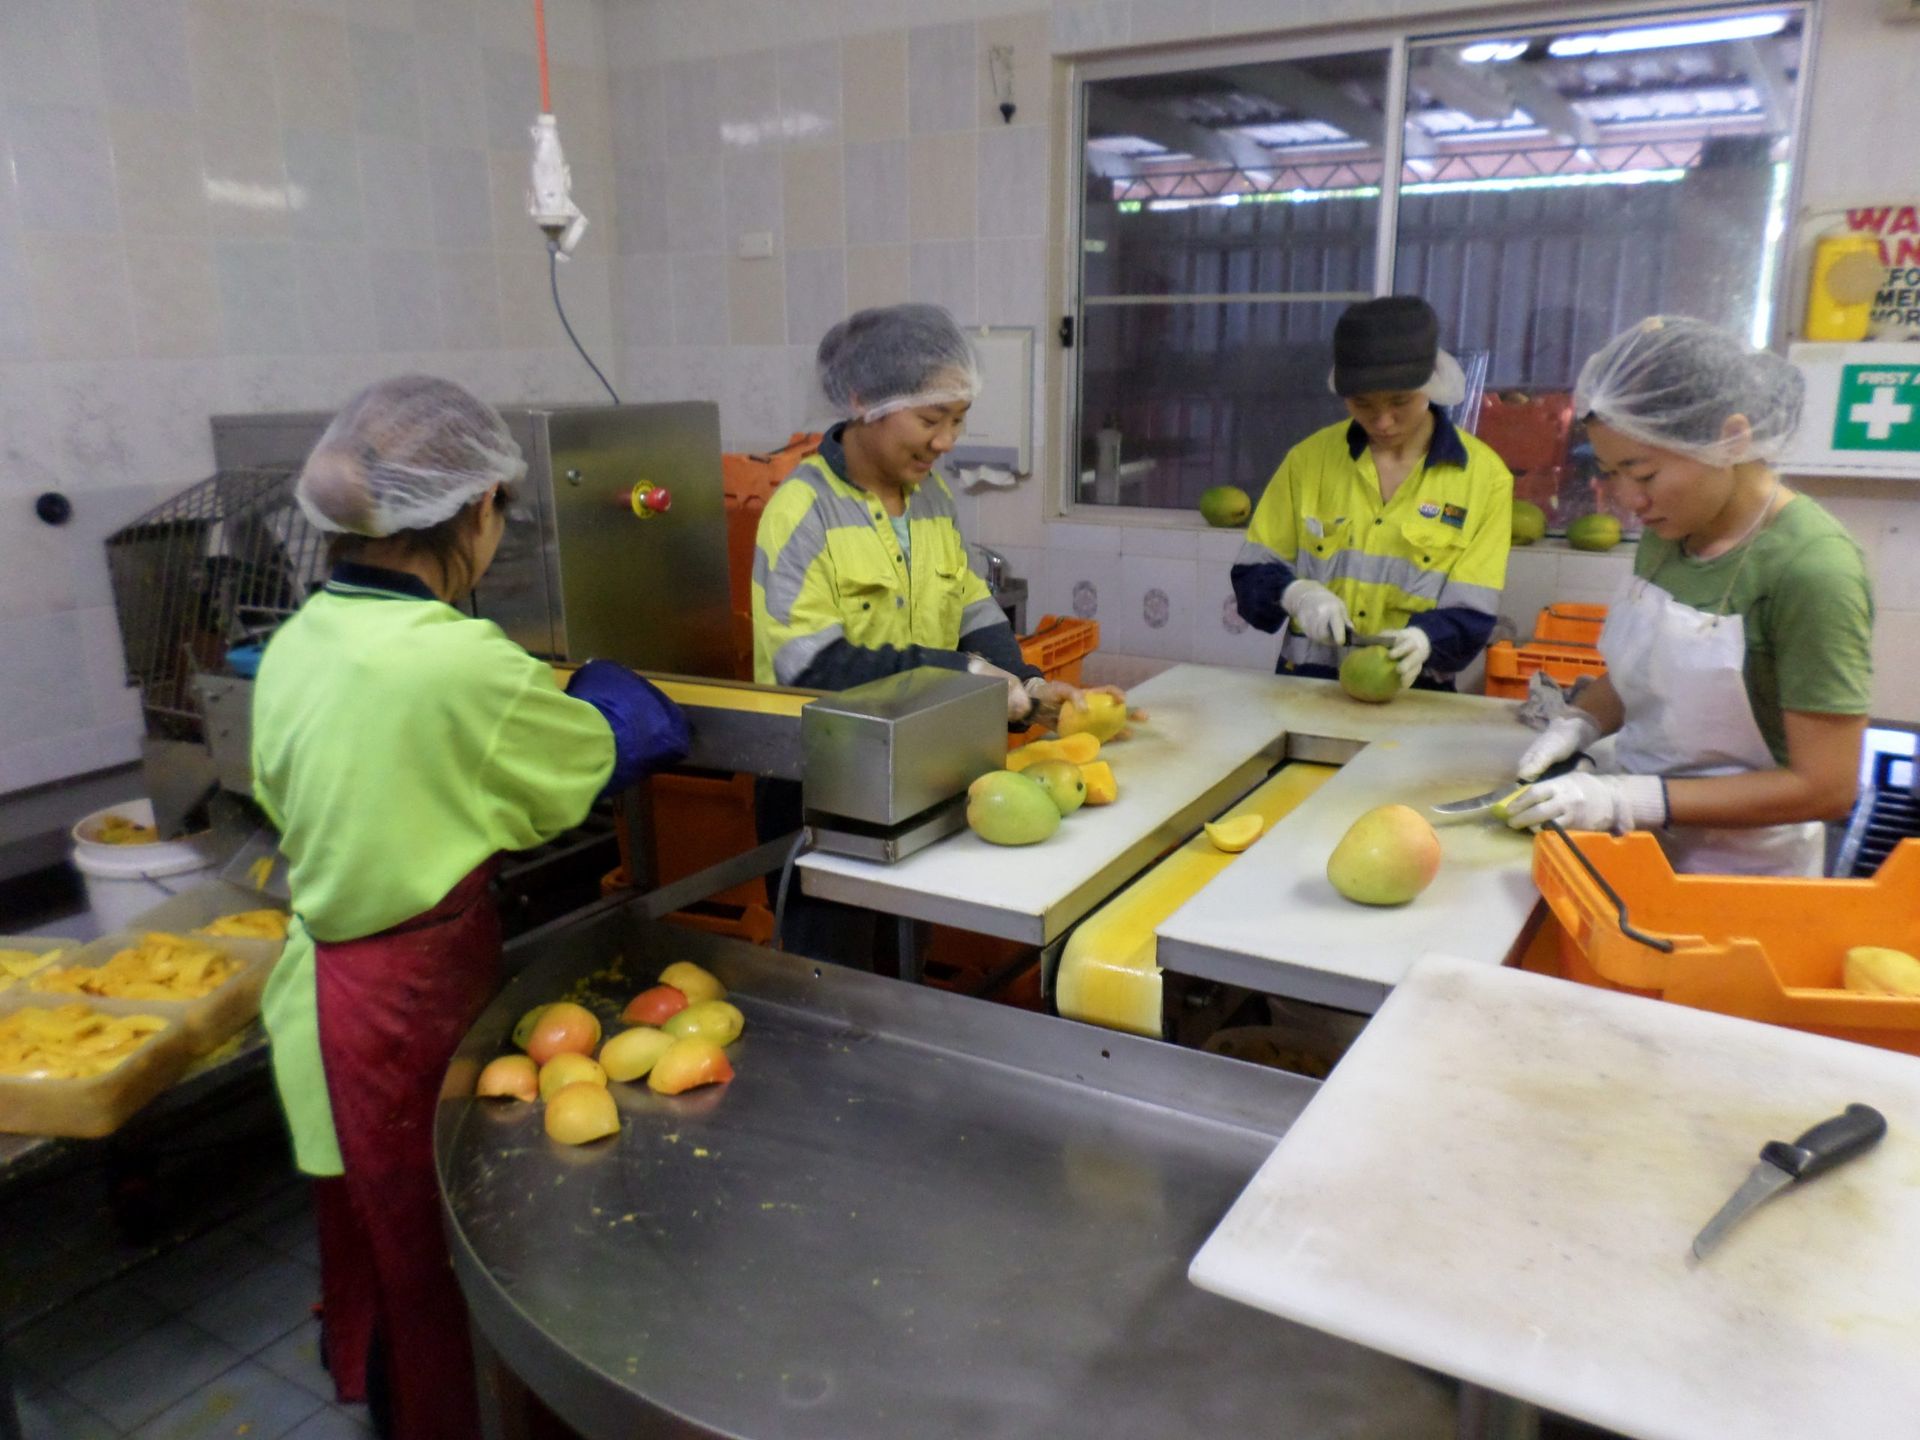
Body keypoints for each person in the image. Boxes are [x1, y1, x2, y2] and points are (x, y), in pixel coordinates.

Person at [250, 377, 688, 1439]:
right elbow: (602, 755)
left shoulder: (303, 635)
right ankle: (445, 1417)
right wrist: (617, 690)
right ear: (478, 509)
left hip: (322, 980)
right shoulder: (457, 661)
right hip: (409, 999)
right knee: (444, 1241)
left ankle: (369, 1377)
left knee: (370, 1220)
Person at [751, 304, 1127, 961]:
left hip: (915, 772)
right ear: (865, 402)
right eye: (930, 419)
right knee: (831, 971)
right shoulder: (800, 512)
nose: (947, 441)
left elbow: (971, 603)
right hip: (824, 788)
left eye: (958, 419)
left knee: (903, 958)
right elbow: (809, 666)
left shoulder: (931, 498)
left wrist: (1022, 679)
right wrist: (965, 679)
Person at [1503, 317, 1874, 876]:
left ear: (1732, 438)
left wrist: (1630, 800)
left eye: (1644, 473)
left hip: (1738, 876)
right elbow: (1652, 672)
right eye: (1609, 472)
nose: (1628, 500)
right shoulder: (1670, 529)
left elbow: (1826, 788)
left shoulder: (1813, 569)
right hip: (1633, 848)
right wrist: (1579, 722)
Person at [1232, 295, 1514, 691]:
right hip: (1309, 692)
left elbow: (1472, 612)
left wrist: (1425, 640)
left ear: (1432, 384)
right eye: (1362, 403)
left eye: (1400, 401)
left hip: (1415, 698)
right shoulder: (1307, 462)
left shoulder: (1484, 479)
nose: (1382, 421)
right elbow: (1252, 574)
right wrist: (1296, 593)